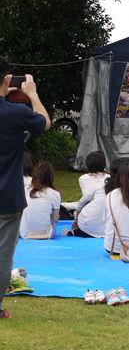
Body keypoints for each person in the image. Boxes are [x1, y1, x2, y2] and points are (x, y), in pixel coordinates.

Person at [0, 61, 49, 319]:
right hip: (7, 197)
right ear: (7, 79)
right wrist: (32, 95)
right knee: (3, 256)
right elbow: (44, 123)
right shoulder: (15, 112)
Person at [19, 161, 60, 239]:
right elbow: (55, 219)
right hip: (46, 235)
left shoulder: (25, 190)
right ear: (51, 177)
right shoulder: (55, 194)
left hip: (24, 233)